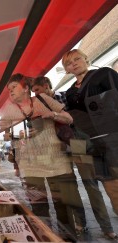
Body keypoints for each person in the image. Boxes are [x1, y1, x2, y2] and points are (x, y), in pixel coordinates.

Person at [0, 73, 84, 234]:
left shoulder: (42, 99)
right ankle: (44, 236)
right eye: (8, 89)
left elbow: (69, 118)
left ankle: (66, 237)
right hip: (31, 164)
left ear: (25, 88)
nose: (10, 91)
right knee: (38, 205)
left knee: (61, 206)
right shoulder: (10, 110)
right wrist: (13, 134)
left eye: (13, 87)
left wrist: (52, 115)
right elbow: (3, 132)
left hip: (54, 161)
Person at [62, 49, 118, 239]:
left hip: (113, 138)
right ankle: (110, 224)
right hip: (92, 145)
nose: (74, 64)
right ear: (67, 70)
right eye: (69, 63)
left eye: (77, 59)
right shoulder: (70, 93)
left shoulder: (104, 74)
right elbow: (74, 121)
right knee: (110, 188)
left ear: (86, 59)